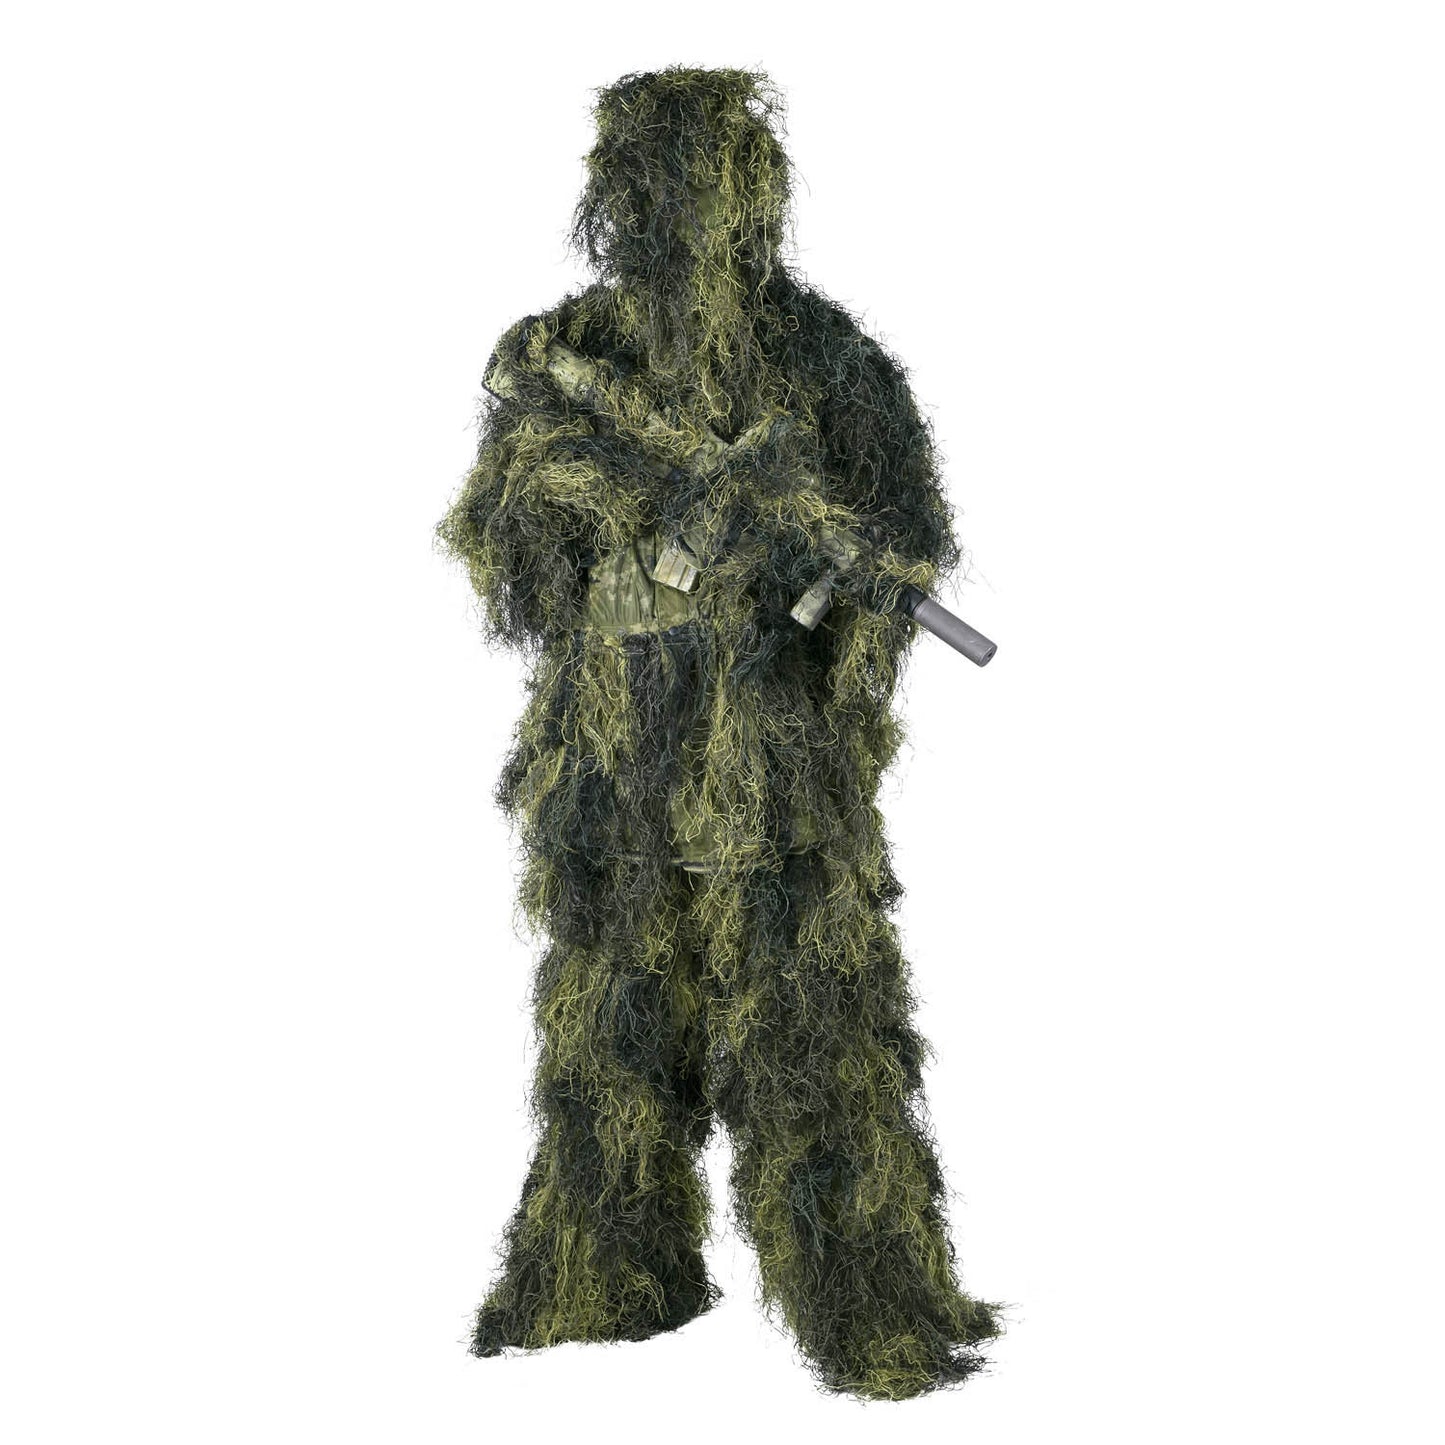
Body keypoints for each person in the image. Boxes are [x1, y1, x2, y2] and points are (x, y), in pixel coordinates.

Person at [438, 64, 1001, 1401]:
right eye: (655, 186)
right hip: (609, 749)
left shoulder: (822, 356)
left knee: (810, 1022)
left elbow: (903, 542)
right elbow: (509, 558)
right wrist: (606, 503)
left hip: (765, 756)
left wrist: (818, 578)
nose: (680, 216)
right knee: (610, 1019)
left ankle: (863, 1302)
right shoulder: (562, 353)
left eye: (708, 185)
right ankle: (605, 1272)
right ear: (615, 197)